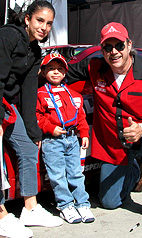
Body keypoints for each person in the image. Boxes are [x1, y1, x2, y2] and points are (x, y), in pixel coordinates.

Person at [0, 0, 63, 238]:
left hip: (0, 99)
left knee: (28, 147)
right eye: (39, 21)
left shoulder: (35, 51)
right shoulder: (6, 36)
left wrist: (33, 130)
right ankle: (0, 215)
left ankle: (30, 208)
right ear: (27, 19)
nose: (44, 27)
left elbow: (28, 93)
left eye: (49, 23)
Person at [66, 22, 142, 225]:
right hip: (114, 145)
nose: (114, 52)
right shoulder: (94, 67)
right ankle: (135, 170)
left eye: (119, 45)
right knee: (109, 202)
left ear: (129, 44)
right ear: (102, 50)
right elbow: (60, 71)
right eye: (108, 47)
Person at [36, 53, 95, 224]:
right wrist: (50, 128)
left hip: (72, 140)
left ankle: (82, 203)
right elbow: (37, 117)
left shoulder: (75, 95)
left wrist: (84, 134)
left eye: (60, 69)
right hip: (52, 141)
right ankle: (65, 205)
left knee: (76, 173)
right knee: (58, 176)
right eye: (51, 69)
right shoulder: (40, 94)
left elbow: (81, 116)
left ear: (65, 72)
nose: (56, 72)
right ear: (44, 72)